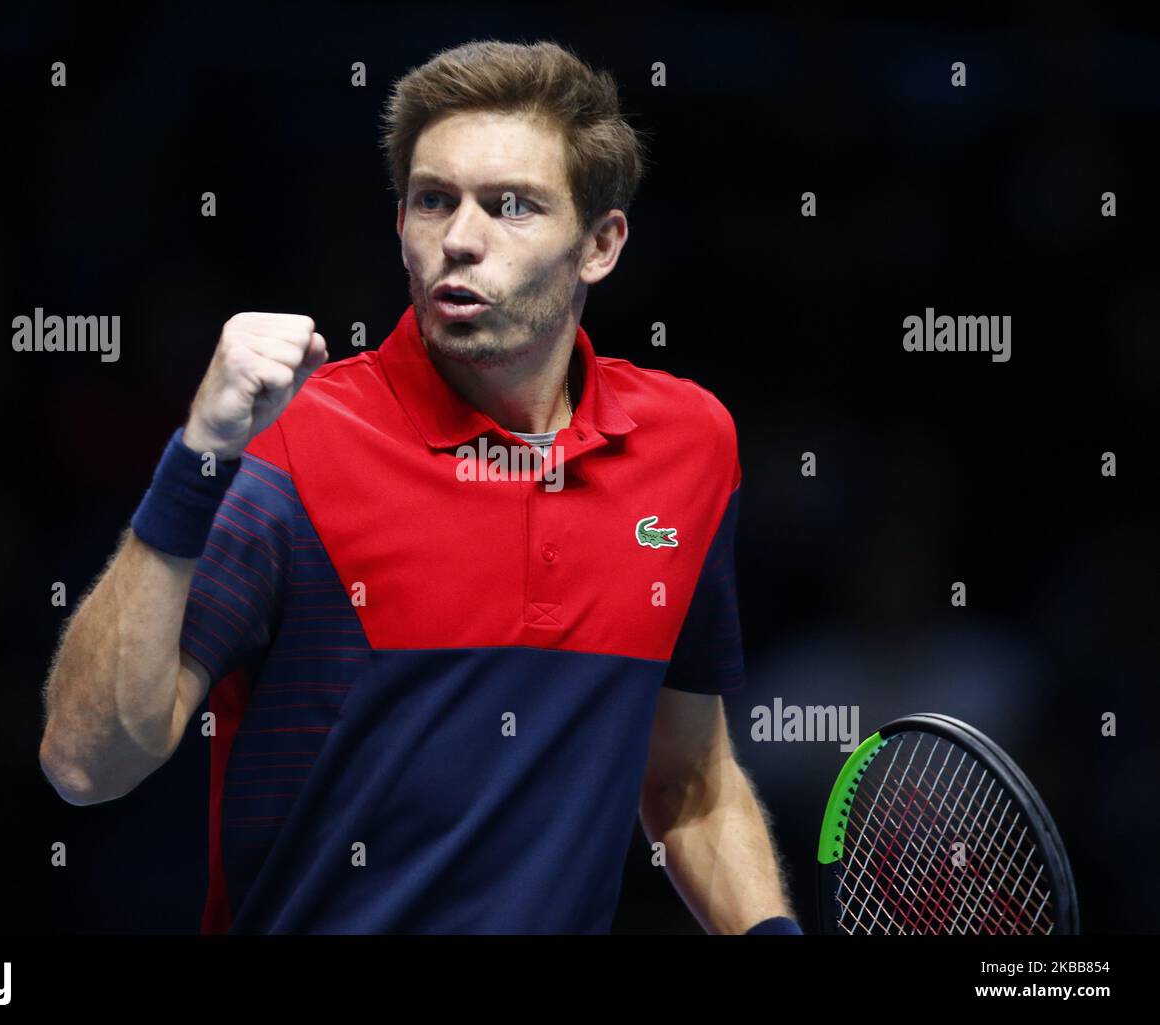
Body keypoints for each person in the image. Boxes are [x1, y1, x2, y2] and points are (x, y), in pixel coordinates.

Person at [39, 38, 800, 936]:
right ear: (400, 223)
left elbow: (687, 781)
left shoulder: (689, 446)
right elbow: (88, 763)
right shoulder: (291, 444)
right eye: (434, 201)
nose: (461, 239)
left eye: (511, 206)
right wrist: (198, 453)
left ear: (601, 244)